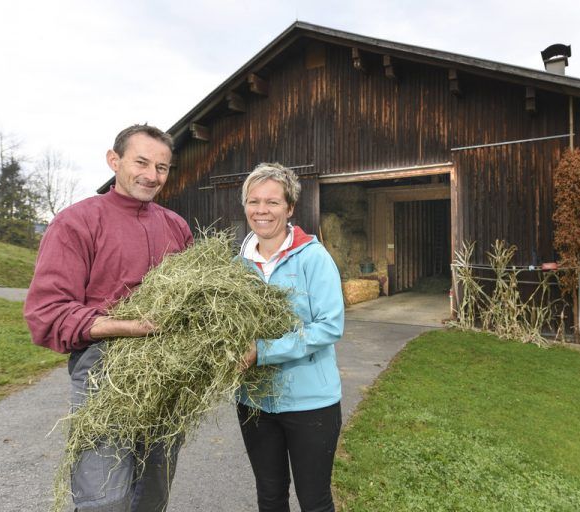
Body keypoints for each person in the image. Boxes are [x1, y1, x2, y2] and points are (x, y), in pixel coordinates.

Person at [24, 124, 193, 511]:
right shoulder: (76, 222)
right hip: (104, 373)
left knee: (153, 490)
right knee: (104, 496)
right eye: (142, 162)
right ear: (113, 160)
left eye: (163, 167)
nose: (152, 175)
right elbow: (47, 312)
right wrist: (130, 327)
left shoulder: (175, 226)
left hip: (170, 374)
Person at [235, 162, 344, 512]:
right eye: (254, 202)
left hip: (311, 403)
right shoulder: (238, 265)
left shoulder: (313, 257)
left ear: (290, 207)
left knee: (314, 500)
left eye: (272, 202)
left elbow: (329, 326)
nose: (261, 211)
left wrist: (262, 351)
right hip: (254, 402)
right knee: (269, 496)